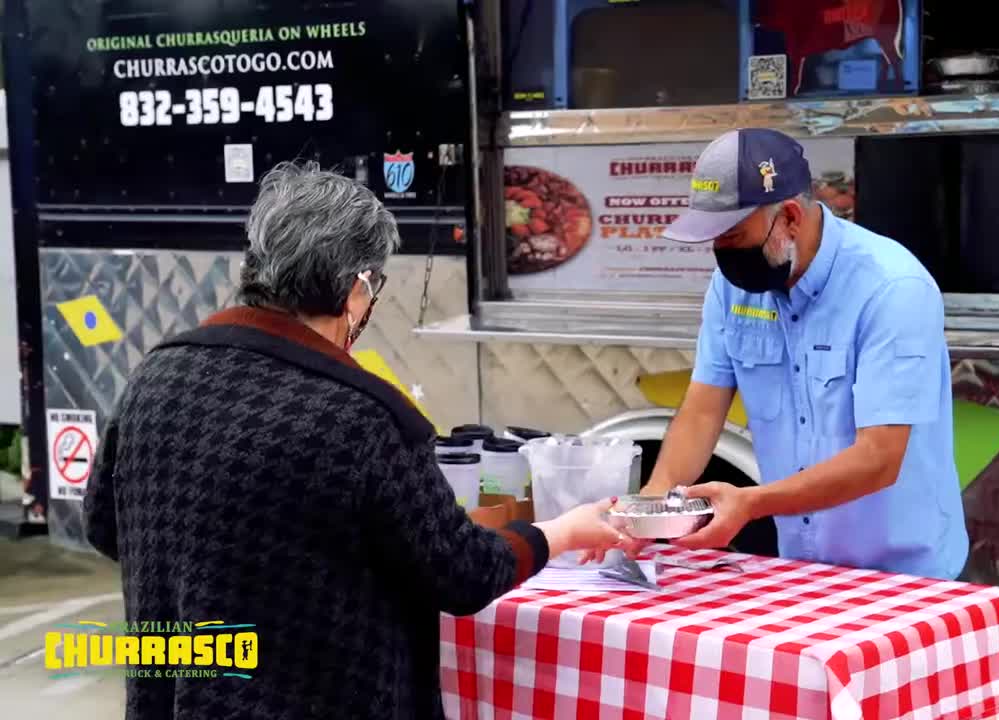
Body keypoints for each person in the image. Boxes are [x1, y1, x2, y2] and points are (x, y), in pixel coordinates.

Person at [84, 162, 626, 720]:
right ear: (357, 289)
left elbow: (106, 527)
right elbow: (461, 573)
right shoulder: (363, 415)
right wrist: (557, 532)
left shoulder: (156, 376)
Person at [633, 128, 968, 580]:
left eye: (732, 235)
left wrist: (750, 503)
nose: (722, 254)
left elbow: (879, 457)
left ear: (790, 217)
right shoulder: (733, 290)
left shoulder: (892, 289)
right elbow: (701, 411)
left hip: (901, 575)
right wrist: (652, 507)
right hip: (799, 567)